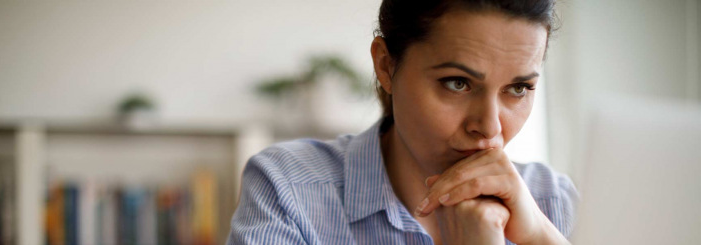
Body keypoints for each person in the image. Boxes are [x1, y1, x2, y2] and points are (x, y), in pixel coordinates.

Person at [228, 0, 577, 244]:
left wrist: (539, 238)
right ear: (386, 66)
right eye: (457, 83)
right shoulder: (290, 189)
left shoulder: (554, 202)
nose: (490, 128)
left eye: (518, 88)